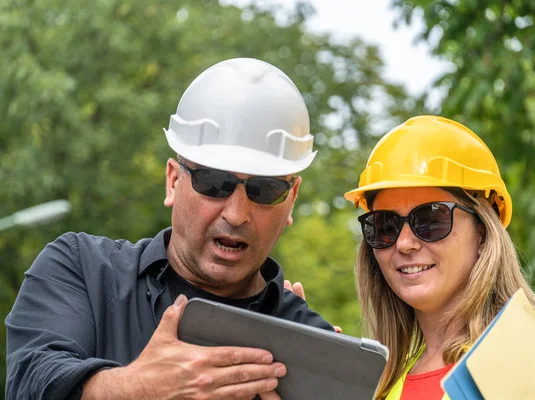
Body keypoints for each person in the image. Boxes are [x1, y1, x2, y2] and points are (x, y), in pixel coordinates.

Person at [5, 57, 334, 400]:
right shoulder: (83, 271)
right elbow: (31, 383)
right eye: (214, 182)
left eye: (264, 190)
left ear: (291, 199)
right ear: (174, 181)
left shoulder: (311, 346)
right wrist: (140, 389)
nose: (237, 214)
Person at [343, 115, 535, 400]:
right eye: (384, 226)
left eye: (431, 219)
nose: (404, 243)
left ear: (482, 233)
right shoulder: (378, 391)